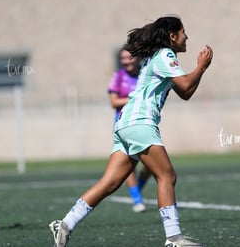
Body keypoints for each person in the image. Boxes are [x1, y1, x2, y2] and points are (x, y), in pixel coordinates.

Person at [49, 15, 213, 247]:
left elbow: (185, 93)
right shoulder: (166, 55)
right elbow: (187, 85)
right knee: (167, 176)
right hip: (139, 123)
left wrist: (199, 70)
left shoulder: (157, 56)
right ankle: (174, 238)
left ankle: (64, 225)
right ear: (172, 36)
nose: (187, 37)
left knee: (110, 183)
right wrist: (201, 66)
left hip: (125, 123)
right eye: (184, 32)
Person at [108, 47, 151, 213]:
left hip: (143, 123)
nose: (125, 61)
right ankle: (137, 199)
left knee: (150, 165)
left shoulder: (145, 74)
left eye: (129, 57)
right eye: (123, 58)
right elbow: (114, 102)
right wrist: (135, 98)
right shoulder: (118, 77)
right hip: (124, 124)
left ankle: (137, 189)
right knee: (129, 165)